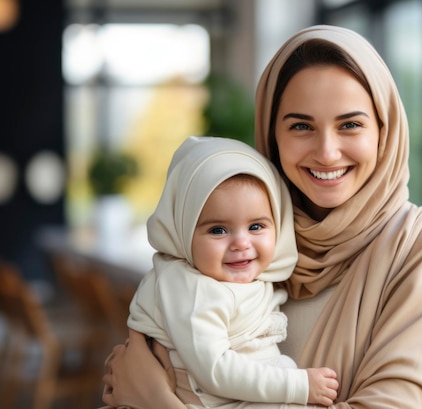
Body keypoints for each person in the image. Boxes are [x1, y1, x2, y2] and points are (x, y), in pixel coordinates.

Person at [102, 25, 422, 409]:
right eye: (301, 126)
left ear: (384, 130)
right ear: (271, 135)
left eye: (350, 124)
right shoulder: (243, 247)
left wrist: (157, 400)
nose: (326, 152)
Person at [123, 136, 338, 408]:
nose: (241, 243)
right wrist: (298, 386)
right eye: (218, 230)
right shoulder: (191, 288)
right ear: (183, 233)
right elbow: (214, 369)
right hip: (206, 397)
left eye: (256, 226)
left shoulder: (254, 279)